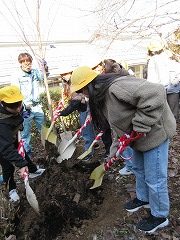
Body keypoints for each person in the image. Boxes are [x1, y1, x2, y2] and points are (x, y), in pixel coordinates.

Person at [70, 65, 176, 234]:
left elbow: (155, 92)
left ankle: (160, 216)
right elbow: (117, 129)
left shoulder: (116, 88)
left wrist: (141, 124)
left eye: (82, 90)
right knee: (139, 170)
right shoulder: (103, 98)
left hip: (155, 133)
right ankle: (143, 199)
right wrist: (111, 155)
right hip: (139, 138)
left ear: (89, 85)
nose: (83, 94)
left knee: (155, 178)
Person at [0, 85, 45, 204]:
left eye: (19, 104)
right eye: (13, 106)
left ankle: (33, 170)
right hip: (2, 145)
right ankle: (11, 190)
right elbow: (5, 148)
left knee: (23, 154)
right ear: (3, 104)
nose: (17, 108)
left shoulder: (17, 106)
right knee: (8, 166)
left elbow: (20, 111)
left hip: (12, 137)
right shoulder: (2, 123)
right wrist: (20, 165)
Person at [103, 59, 133, 175]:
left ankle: (131, 166)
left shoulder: (115, 87)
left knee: (124, 143)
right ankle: (132, 165)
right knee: (124, 142)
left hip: (126, 124)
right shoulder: (123, 79)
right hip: (127, 123)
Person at [11, 52, 45, 156]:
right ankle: (28, 157)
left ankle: (50, 151)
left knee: (44, 130)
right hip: (25, 109)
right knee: (25, 135)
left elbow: (43, 78)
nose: (27, 65)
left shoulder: (35, 72)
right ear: (20, 63)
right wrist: (23, 106)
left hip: (37, 107)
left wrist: (44, 68)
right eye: (24, 63)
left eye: (29, 62)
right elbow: (15, 93)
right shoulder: (17, 76)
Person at [147, 39, 180, 122]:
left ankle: (170, 132)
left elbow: (151, 78)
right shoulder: (170, 56)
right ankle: (172, 131)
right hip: (170, 88)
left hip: (164, 88)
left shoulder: (169, 57)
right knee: (171, 112)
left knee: (164, 113)